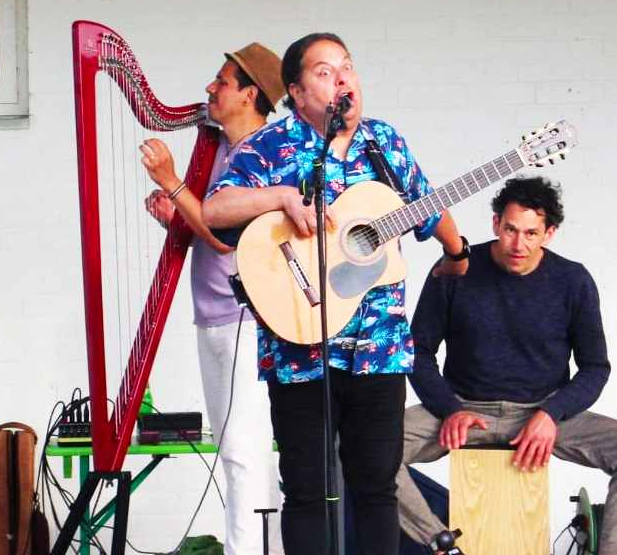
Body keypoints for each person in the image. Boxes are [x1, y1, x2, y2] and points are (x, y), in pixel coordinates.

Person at [200, 33, 469, 555]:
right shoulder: (270, 146)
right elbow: (214, 210)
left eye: (347, 67)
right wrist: (280, 197)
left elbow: (427, 204)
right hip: (299, 345)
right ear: (297, 94)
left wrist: (458, 254)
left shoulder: (383, 142)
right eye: (325, 72)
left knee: (376, 488)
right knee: (304, 491)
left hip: (380, 349)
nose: (343, 78)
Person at [397, 175, 616, 554]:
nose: (519, 244)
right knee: (356, 447)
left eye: (531, 233)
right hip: (462, 410)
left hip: (542, 414)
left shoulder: (572, 280)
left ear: (549, 233)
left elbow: (596, 367)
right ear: (495, 223)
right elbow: (418, 352)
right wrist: (450, 409)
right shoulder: (456, 268)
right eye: (511, 230)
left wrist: (551, 413)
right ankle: (440, 541)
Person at [139, 43, 286, 555]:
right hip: (216, 314)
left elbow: (230, 237)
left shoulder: (263, 151)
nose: (210, 89)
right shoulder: (221, 148)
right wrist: (177, 212)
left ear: (250, 94)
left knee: (242, 453)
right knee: (239, 452)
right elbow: (209, 224)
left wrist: (172, 183)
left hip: (244, 316)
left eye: (221, 81)